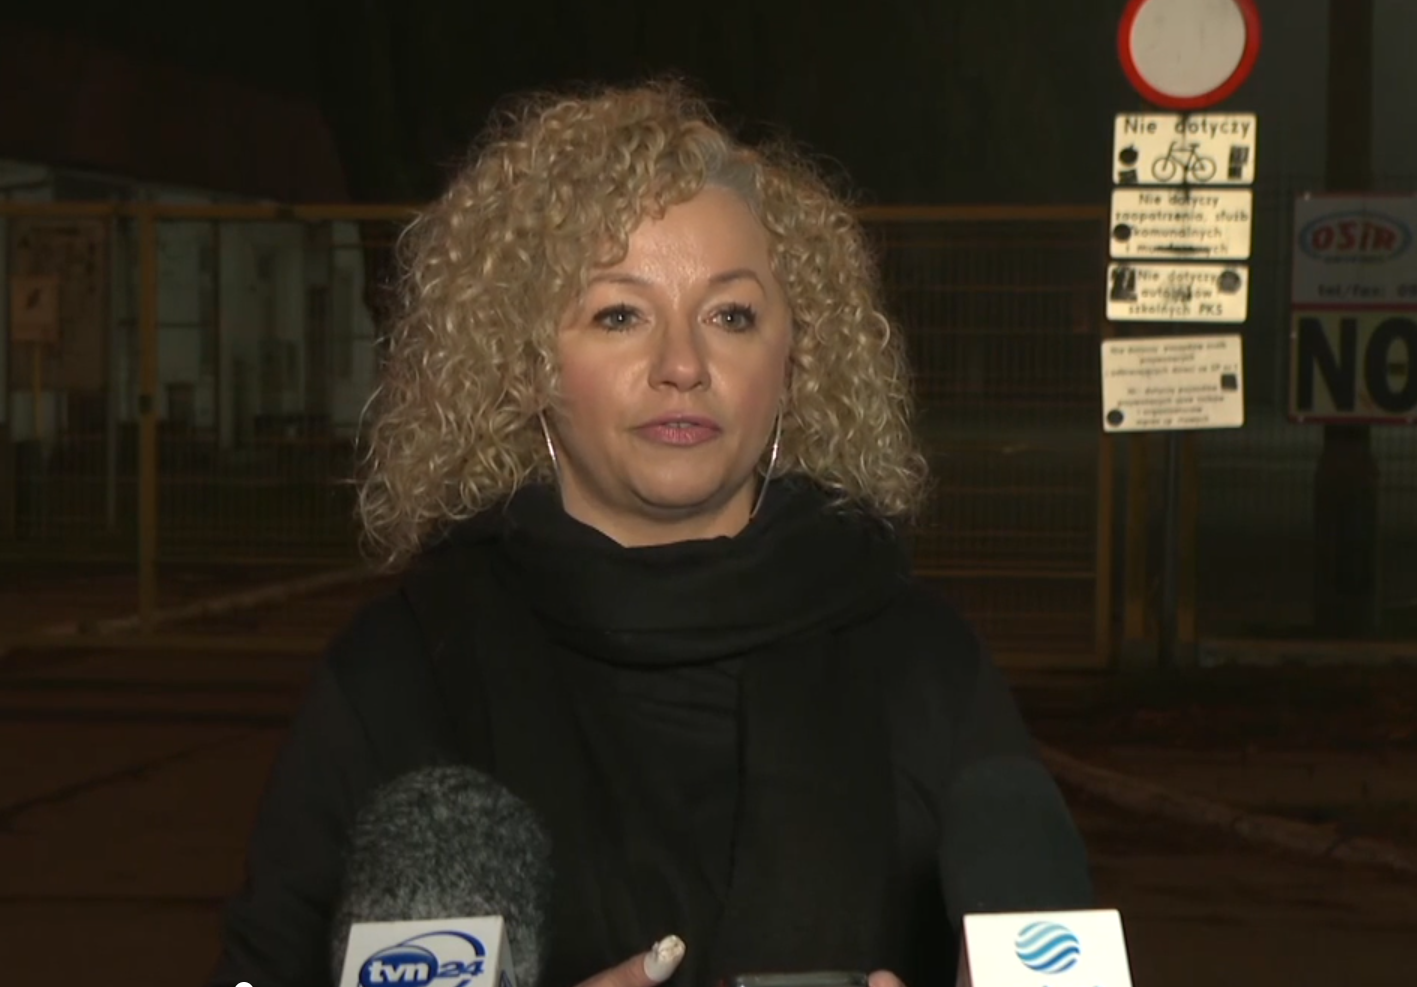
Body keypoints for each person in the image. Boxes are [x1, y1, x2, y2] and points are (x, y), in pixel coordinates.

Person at [209, 81, 1093, 987]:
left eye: (730, 315)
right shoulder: (401, 673)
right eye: (619, 314)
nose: (681, 365)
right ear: (524, 361)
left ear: (795, 359)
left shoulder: (924, 665)